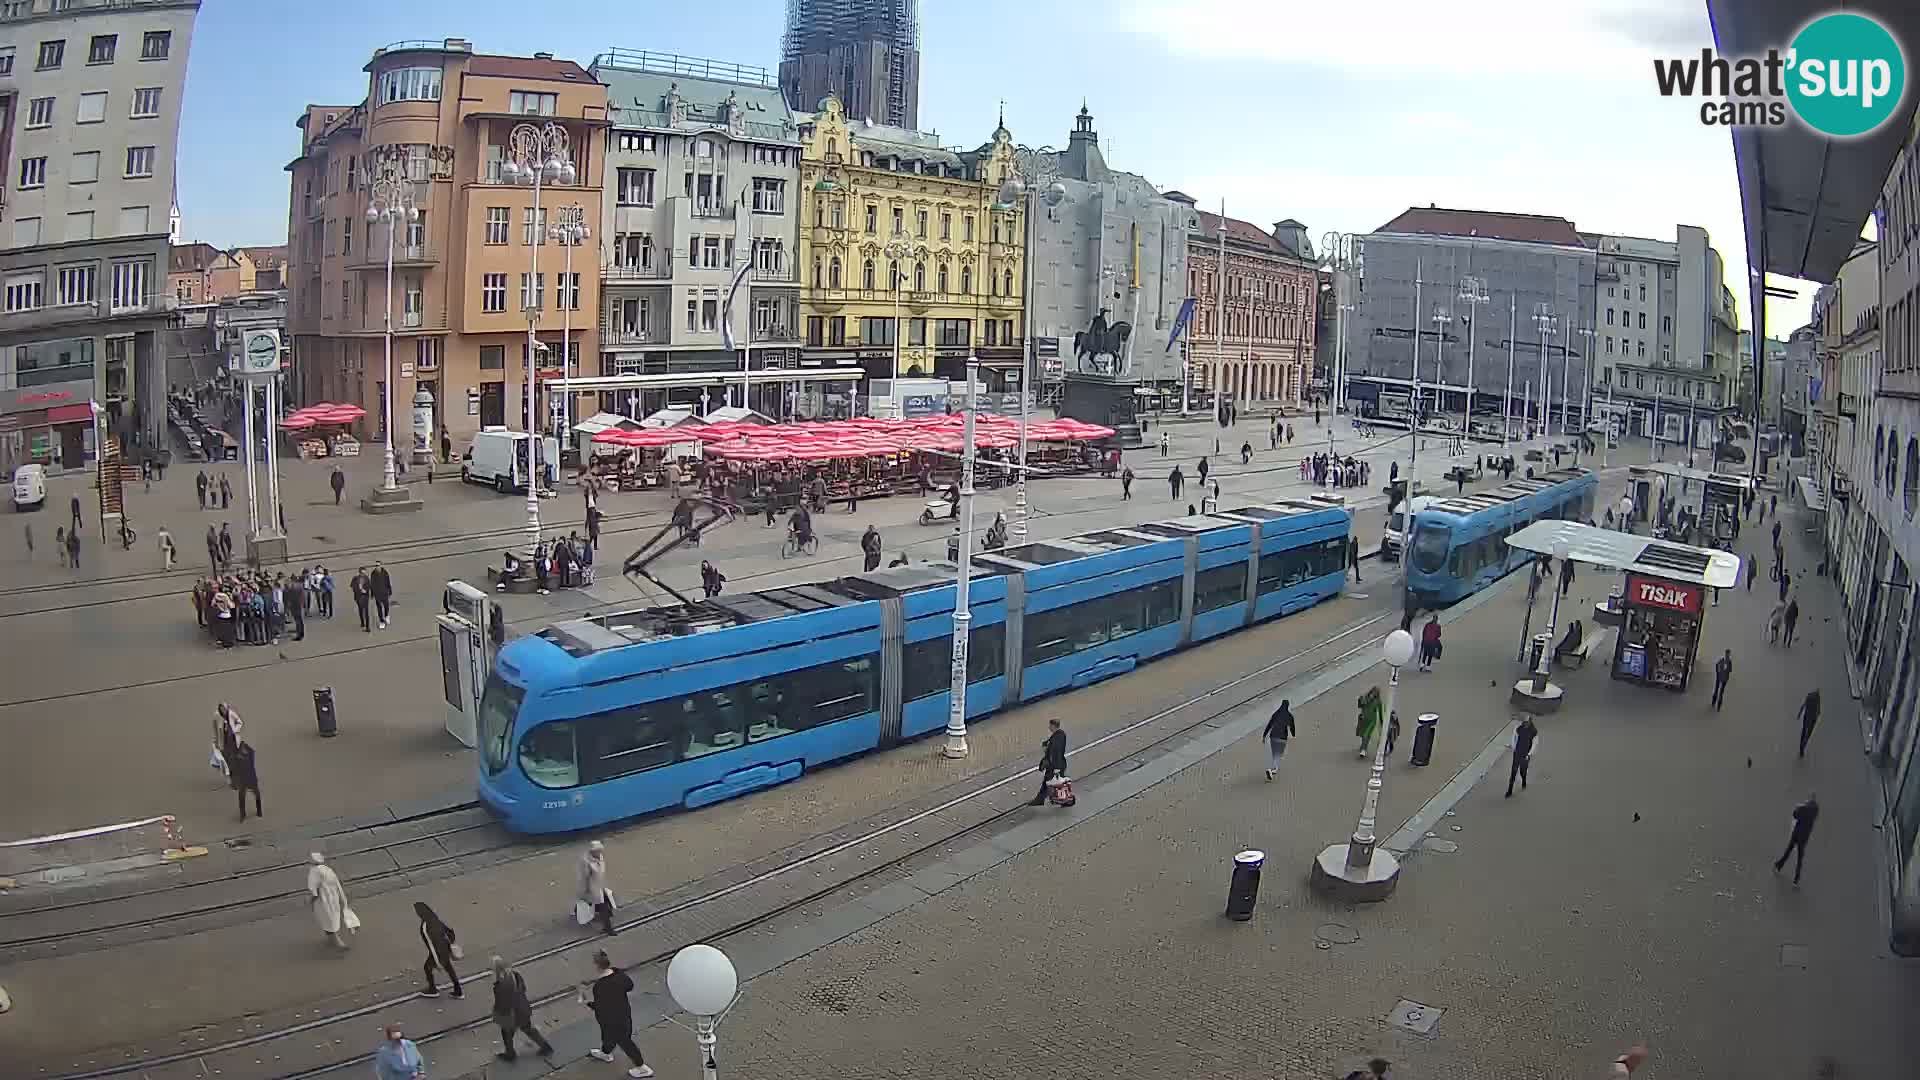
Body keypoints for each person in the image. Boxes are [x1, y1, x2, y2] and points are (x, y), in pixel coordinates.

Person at [583, 949, 653, 1077]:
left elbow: (600, 1007)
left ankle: (642, 1067)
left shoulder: (600, 986)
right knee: (608, 1037)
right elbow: (629, 986)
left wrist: (588, 1003)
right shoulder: (618, 974)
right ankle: (605, 1053)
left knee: (625, 1042)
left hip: (611, 1020)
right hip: (623, 1014)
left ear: (597, 966)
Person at [491, 956, 553, 1062]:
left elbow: (502, 1004)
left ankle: (510, 1054)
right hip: (522, 1008)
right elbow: (523, 988)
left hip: (512, 1014)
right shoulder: (516, 975)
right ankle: (545, 1046)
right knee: (527, 1029)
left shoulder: (501, 984)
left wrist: (497, 1014)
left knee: (506, 1032)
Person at [306, 853, 359, 950]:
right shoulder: (328, 869)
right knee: (330, 919)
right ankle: (333, 940)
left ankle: (338, 943)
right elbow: (338, 884)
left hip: (323, 900)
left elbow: (314, 891)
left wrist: (310, 901)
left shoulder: (314, 871)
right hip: (333, 898)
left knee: (327, 920)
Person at [414, 901, 462, 998]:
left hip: (437, 952)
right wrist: (451, 944)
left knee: (427, 968)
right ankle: (458, 990)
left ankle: (432, 989)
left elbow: (431, 945)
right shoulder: (435, 919)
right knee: (449, 968)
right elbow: (450, 932)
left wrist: (437, 961)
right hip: (445, 948)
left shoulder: (425, 926)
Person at [1773, 792, 1820, 885]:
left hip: (1797, 833)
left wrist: (1797, 807)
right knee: (1800, 857)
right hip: (1805, 836)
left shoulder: (1803, 807)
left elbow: (1795, 815)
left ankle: (1779, 865)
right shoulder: (1816, 809)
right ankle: (1796, 878)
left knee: (1789, 850)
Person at [579, 839, 616, 935]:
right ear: (592, 851)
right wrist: (586, 889)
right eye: (597, 851)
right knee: (603, 906)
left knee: (606, 901)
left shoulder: (601, 857)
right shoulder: (586, 861)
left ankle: (601, 916)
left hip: (602, 884)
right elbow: (585, 876)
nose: (599, 852)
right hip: (594, 887)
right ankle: (608, 928)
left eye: (600, 850)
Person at [1027, 718, 1068, 806]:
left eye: (1050, 725)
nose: (1049, 727)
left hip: (1055, 766)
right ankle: (1042, 799)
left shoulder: (1058, 737)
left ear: (1053, 726)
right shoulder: (1059, 735)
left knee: (1057, 784)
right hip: (1056, 765)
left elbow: (1056, 752)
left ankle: (1065, 800)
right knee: (1053, 783)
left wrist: (1056, 768)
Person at [1262, 699, 1295, 781]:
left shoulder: (1276, 714)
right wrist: (1293, 734)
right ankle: (1273, 770)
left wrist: (1264, 735)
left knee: (1275, 753)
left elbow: (1269, 725)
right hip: (1282, 738)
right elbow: (1292, 727)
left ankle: (1273, 769)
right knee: (1279, 754)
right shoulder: (1289, 716)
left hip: (1273, 736)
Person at [1506, 715, 1538, 797]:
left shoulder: (1534, 732)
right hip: (1517, 753)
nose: (1525, 724)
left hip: (1525, 755)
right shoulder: (1518, 728)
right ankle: (1509, 790)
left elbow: (1534, 744)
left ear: (1530, 722)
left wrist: (1529, 754)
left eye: (1527, 722)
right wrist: (1514, 748)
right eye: (1524, 722)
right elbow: (1514, 737)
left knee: (1522, 771)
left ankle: (1524, 780)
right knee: (1513, 771)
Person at [231, 737, 262, 820]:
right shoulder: (236, 754)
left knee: (255, 793)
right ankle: (243, 814)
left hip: (249, 777)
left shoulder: (246, 751)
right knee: (243, 796)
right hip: (245, 778)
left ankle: (258, 811)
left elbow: (235, 768)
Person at [1355, 686, 1383, 758]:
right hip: (1364, 719)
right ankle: (1363, 746)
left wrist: (1382, 722)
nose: (1372, 695)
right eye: (1372, 693)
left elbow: (1380, 712)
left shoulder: (1378, 702)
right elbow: (1360, 706)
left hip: (1371, 721)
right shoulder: (1365, 698)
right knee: (1362, 734)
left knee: (1366, 735)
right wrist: (1360, 700)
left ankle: (1364, 750)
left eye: (1375, 694)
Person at [1796, 689, 1821, 757]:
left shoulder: (1809, 696)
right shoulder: (1817, 698)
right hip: (1812, 719)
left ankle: (1802, 747)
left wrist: (1799, 714)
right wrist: (1818, 714)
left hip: (1807, 717)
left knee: (1804, 731)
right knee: (1808, 733)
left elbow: (1803, 705)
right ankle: (1803, 747)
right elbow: (1818, 710)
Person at [370, 562, 393, 628]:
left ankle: (386, 616)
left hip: (385, 593)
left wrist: (390, 591)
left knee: (386, 606)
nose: (377, 567)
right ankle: (381, 621)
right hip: (377, 594)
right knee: (379, 608)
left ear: (381, 566)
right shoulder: (373, 574)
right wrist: (372, 594)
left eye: (379, 565)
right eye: (376, 566)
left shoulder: (385, 572)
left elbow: (388, 581)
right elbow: (372, 584)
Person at [351, 568, 373, 632]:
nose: (364, 574)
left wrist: (365, 590)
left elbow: (369, 586)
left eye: (364, 573)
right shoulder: (355, 578)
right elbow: (352, 587)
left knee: (366, 612)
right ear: (359, 573)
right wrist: (359, 589)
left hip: (365, 597)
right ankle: (362, 622)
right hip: (358, 597)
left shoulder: (367, 579)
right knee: (360, 610)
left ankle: (367, 627)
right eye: (362, 573)